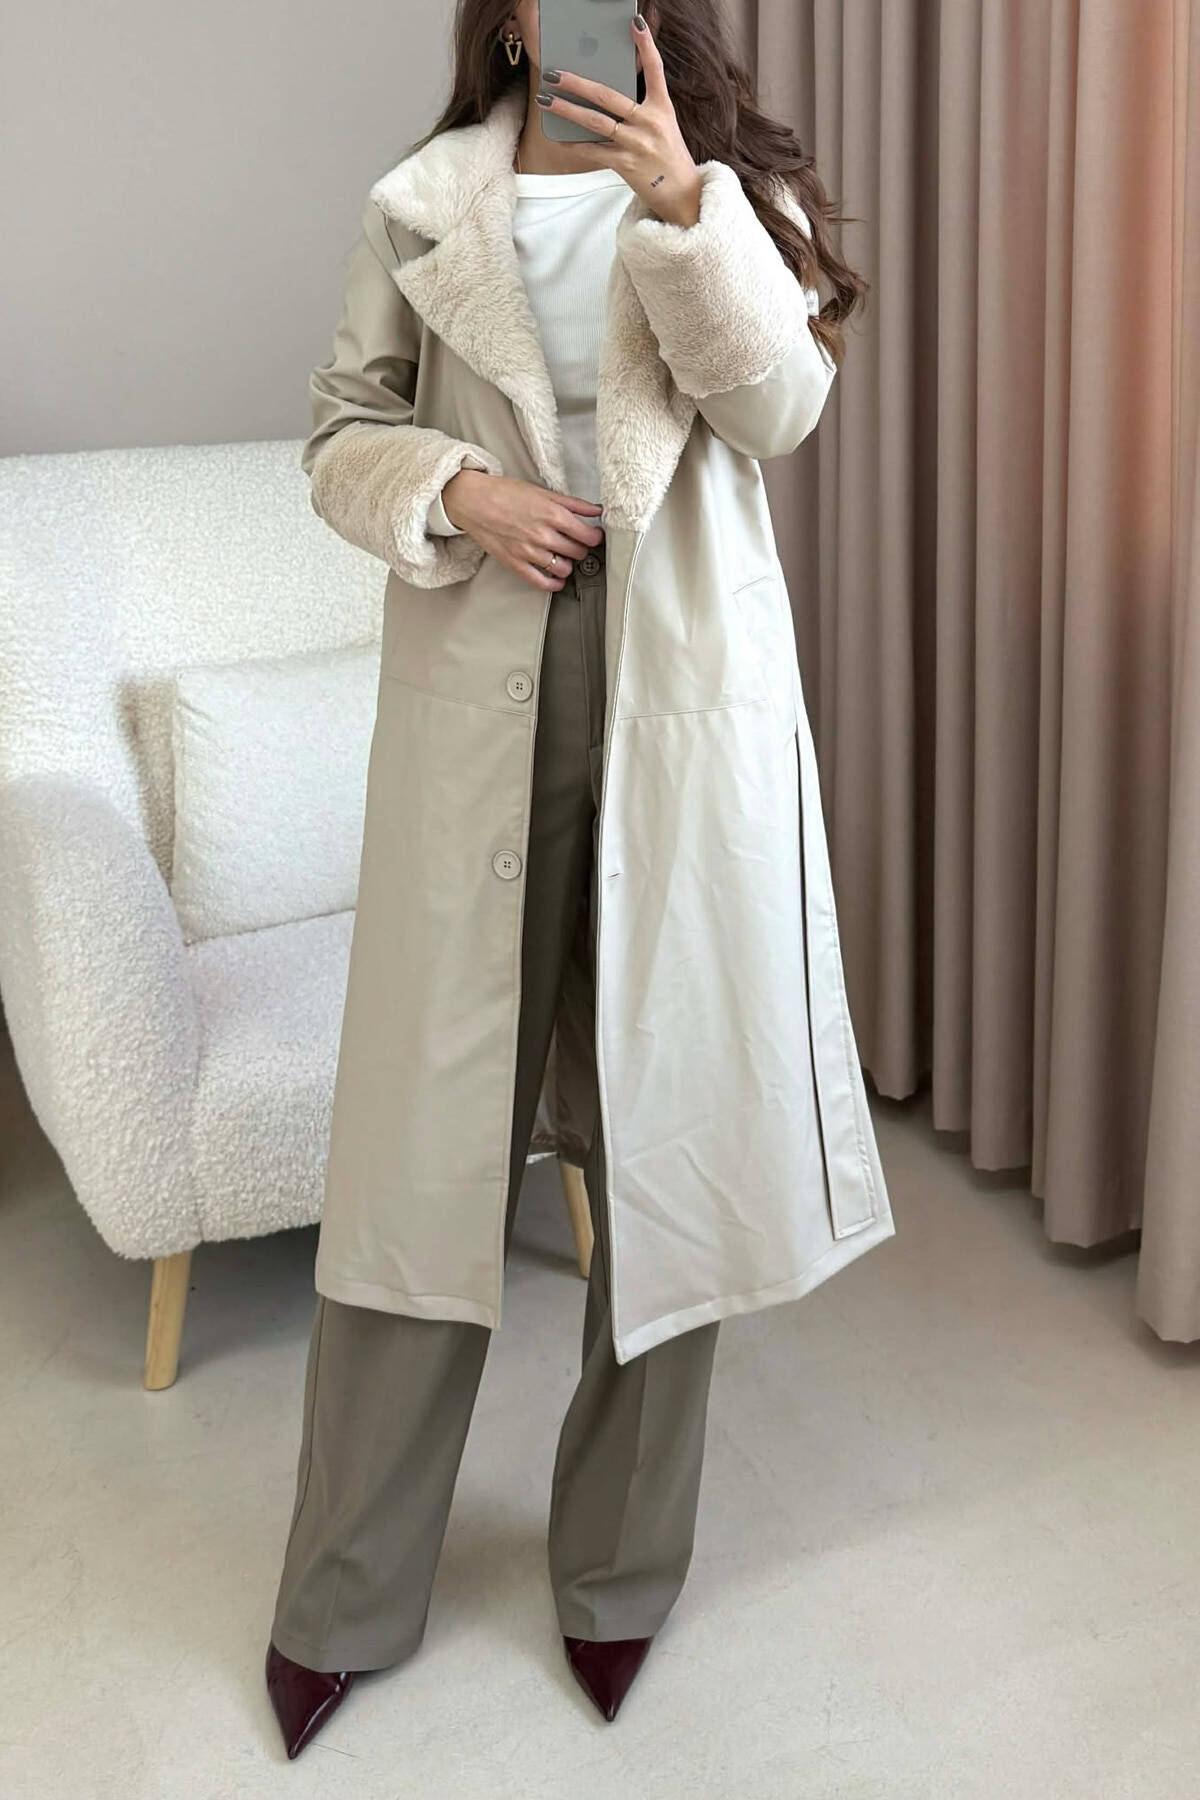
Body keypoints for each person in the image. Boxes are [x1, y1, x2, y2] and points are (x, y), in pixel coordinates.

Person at [266, 0, 894, 1758]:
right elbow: (335, 435)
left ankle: (619, 1573)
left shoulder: (723, 198)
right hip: (482, 680)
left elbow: (780, 411)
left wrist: (688, 208)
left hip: (676, 694)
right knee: (422, 1150)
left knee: (663, 1135)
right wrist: (459, 490)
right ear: (508, 18)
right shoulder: (422, 200)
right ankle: (344, 1592)